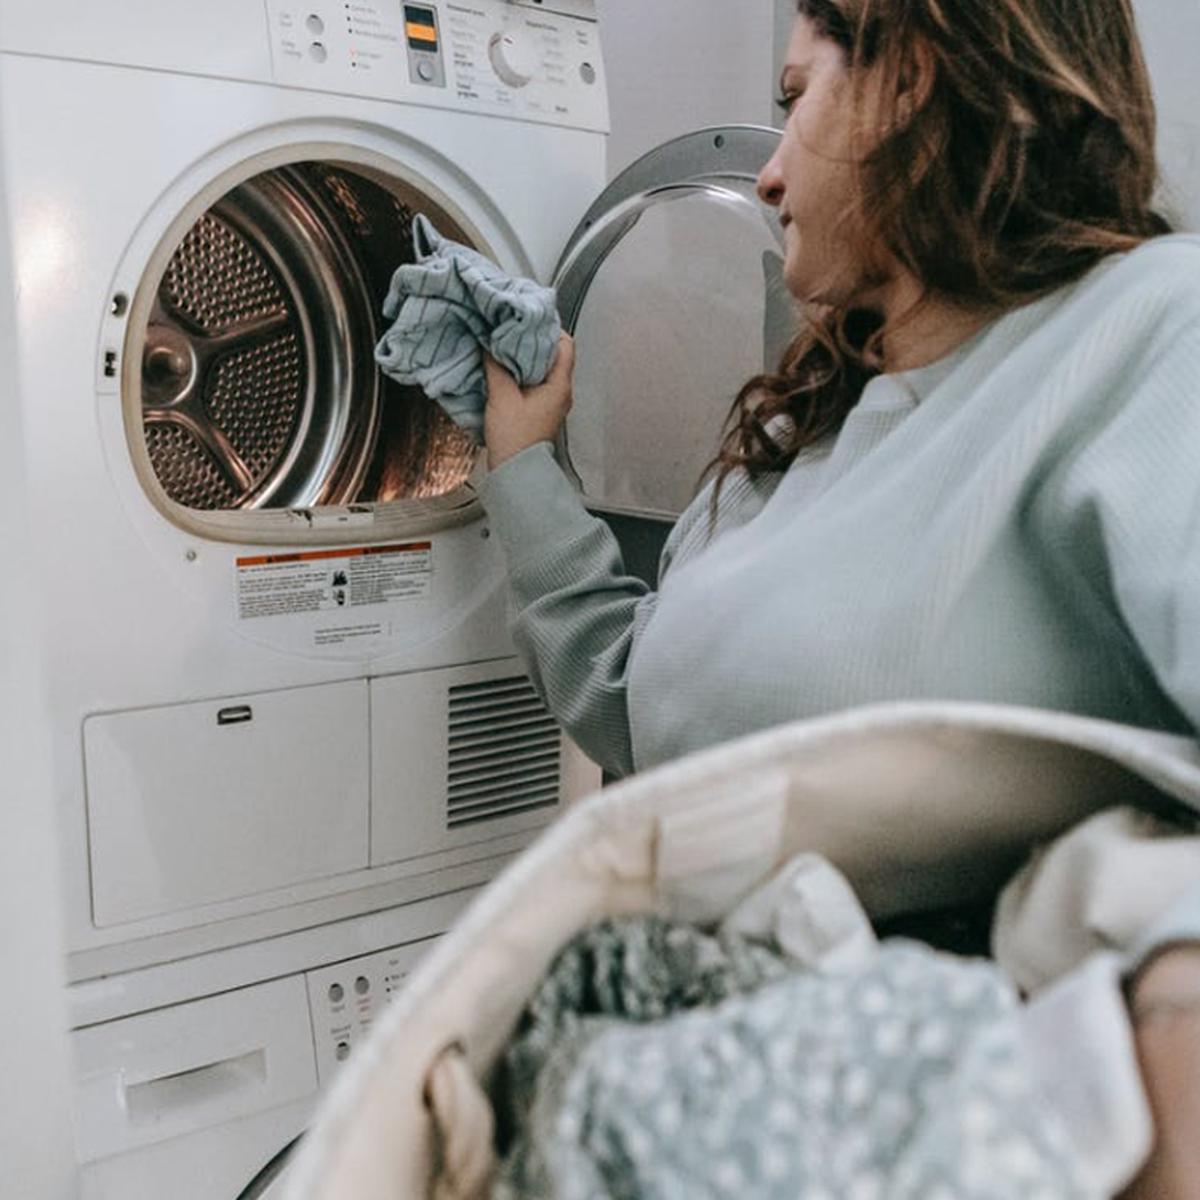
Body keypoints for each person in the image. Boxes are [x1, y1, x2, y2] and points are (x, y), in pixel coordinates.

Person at [479, 0, 1200, 1194]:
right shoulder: (799, 428)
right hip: (677, 1082)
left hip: (931, 1103)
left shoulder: (1143, 335)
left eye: (793, 97)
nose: (764, 175)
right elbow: (648, 723)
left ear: (909, 79)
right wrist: (518, 462)